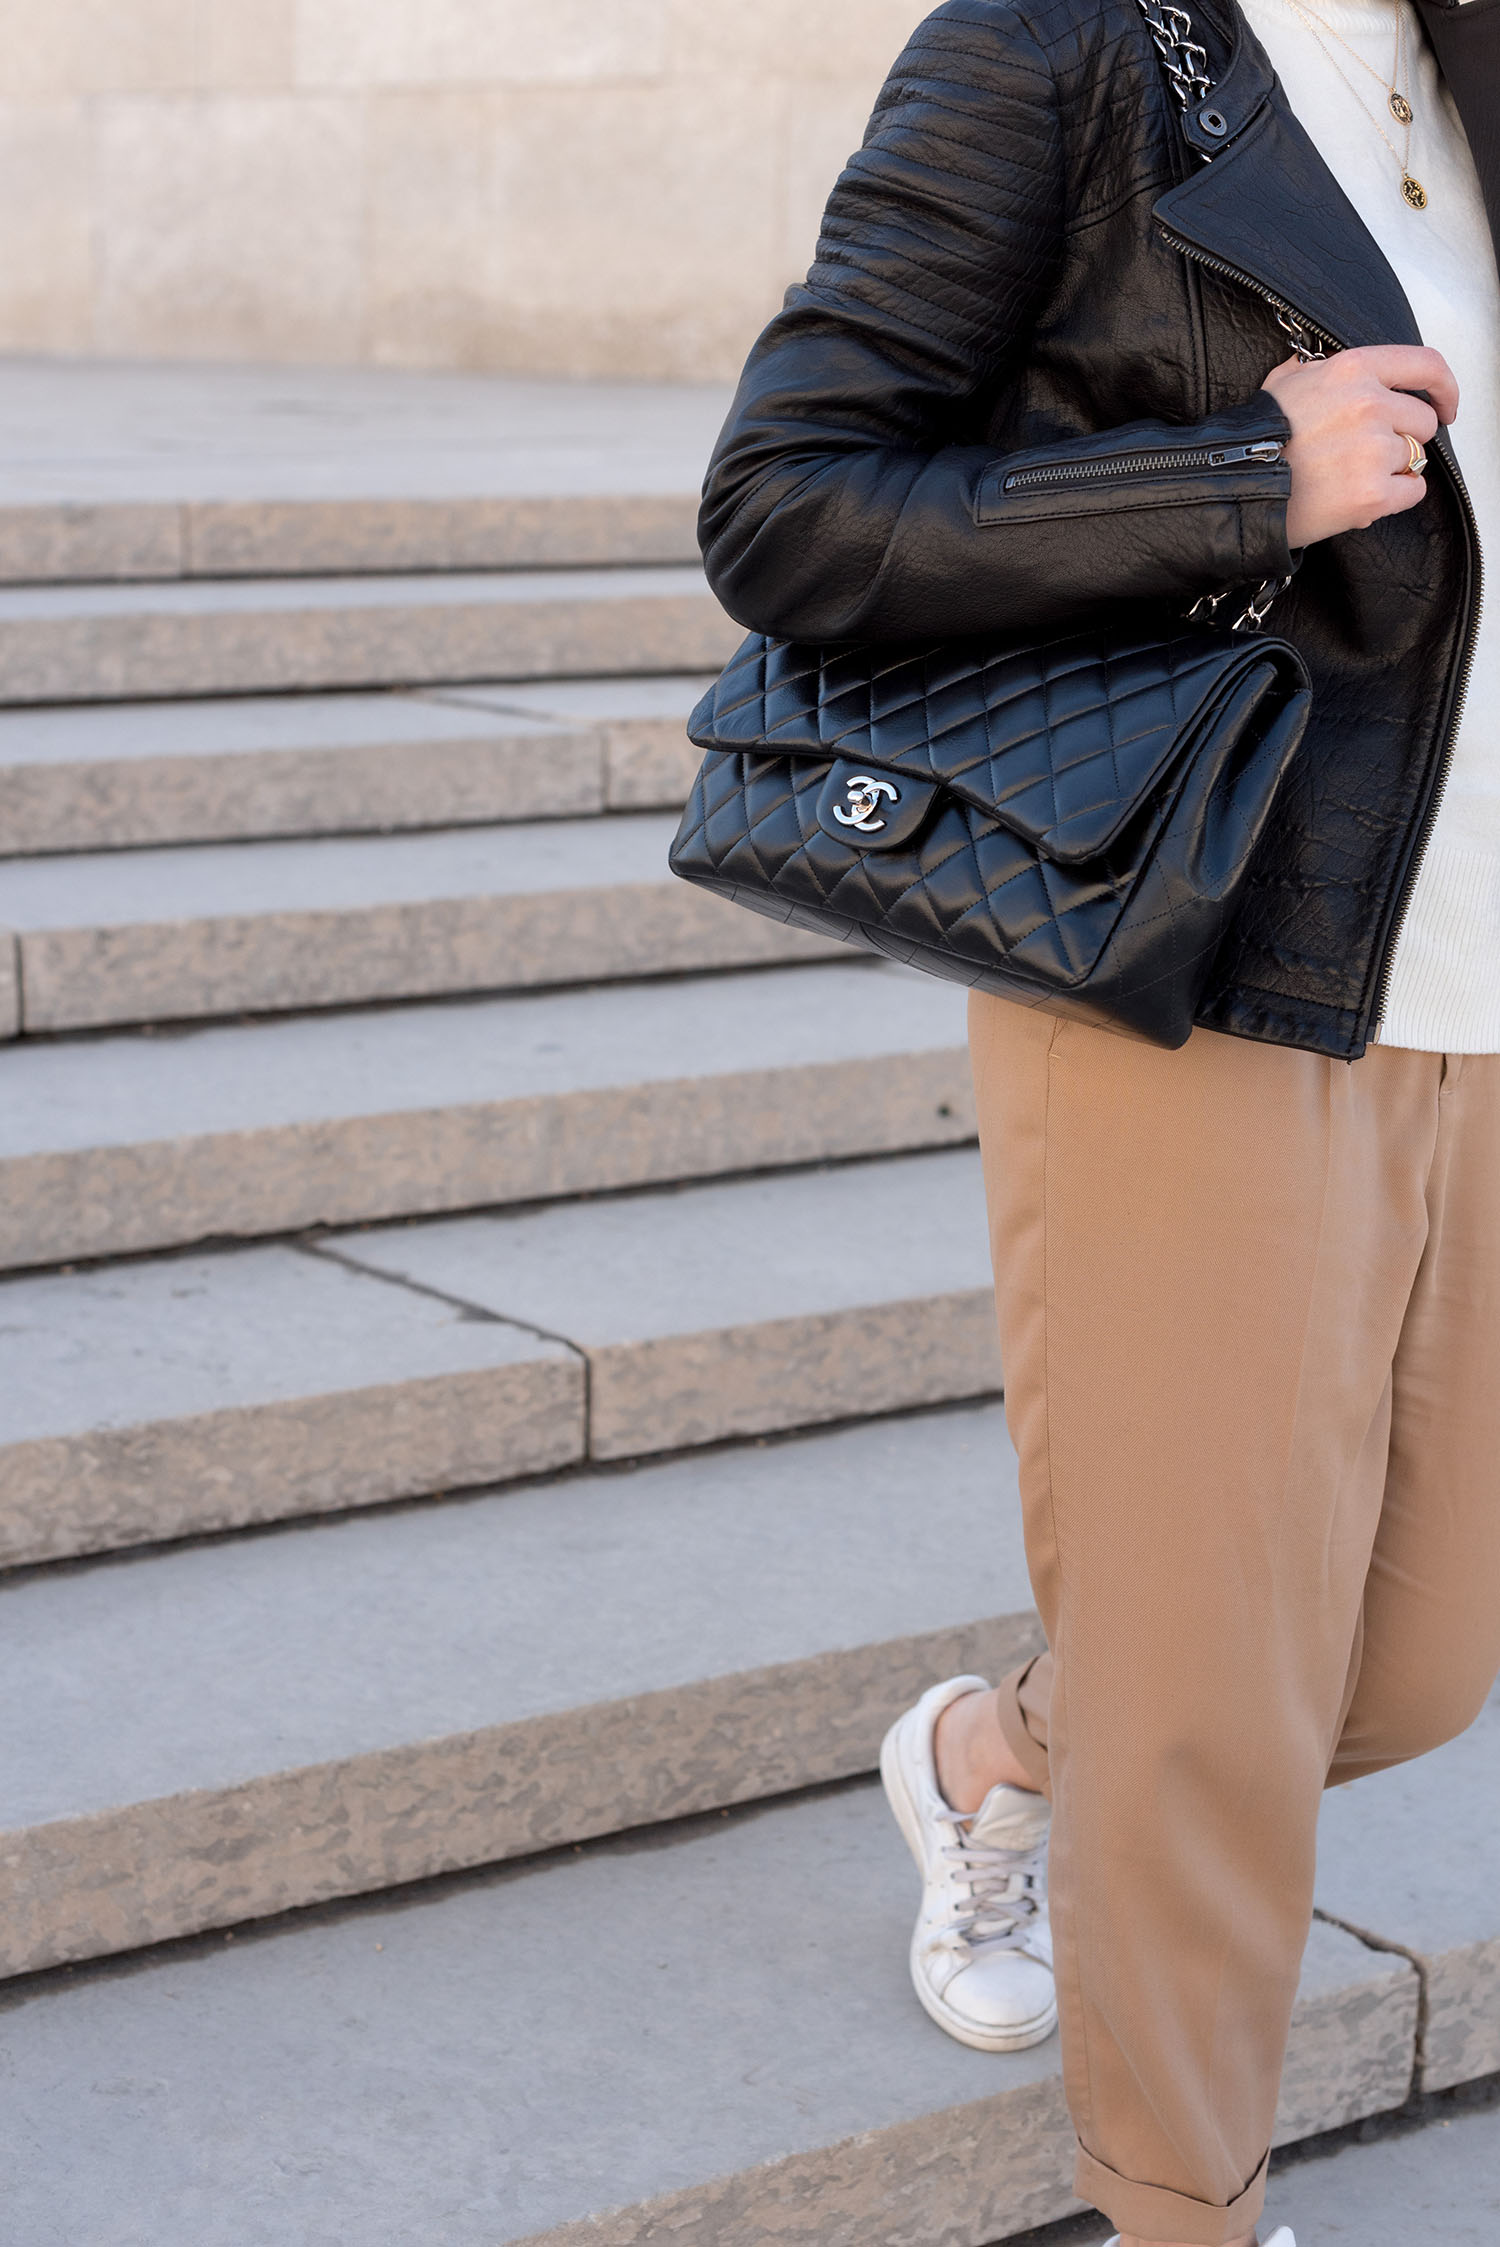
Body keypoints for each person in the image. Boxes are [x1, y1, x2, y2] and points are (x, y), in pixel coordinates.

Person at [697, 0, 1500, 2240]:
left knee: (1412, 1658)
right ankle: (1181, 2203)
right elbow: (788, 502)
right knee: (1218, 1719)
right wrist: (1246, 480)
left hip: (1477, 979)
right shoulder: (1064, 43)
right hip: (1204, 959)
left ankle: (1009, 1745)